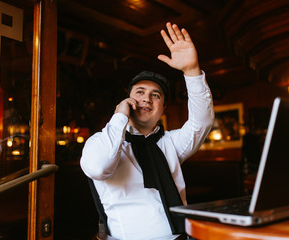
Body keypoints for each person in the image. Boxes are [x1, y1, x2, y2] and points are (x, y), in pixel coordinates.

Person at [80, 22, 214, 240]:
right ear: (127, 100)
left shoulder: (171, 142)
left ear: (163, 108)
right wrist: (120, 117)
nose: (147, 99)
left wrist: (191, 70)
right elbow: (97, 167)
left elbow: (203, 121)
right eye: (140, 92)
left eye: (156, 95)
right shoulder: (99, 143)